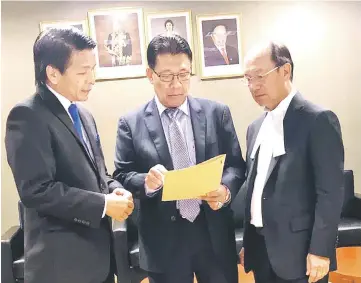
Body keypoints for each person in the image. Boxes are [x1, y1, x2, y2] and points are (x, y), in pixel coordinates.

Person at [113, 34, 246, 283]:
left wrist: (225, 190)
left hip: (213, 235)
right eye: (166, 76)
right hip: (163, 242)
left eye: (184, 74)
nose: (176, 85)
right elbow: (121, 175)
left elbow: (237, 165)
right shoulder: (131, 123)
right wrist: (147, 182)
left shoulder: (216, 113)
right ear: (150, 74)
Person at [5, 27, 134, 283]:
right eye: (83, 72)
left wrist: (115, 188)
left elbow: (99, 174)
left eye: (93, 69)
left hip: (99, 260)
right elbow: (37, 190)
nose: (92, 79)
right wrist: (104, 204)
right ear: (52, 73)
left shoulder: (83, 114)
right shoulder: (28, 116)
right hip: (61, 267)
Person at [239, 41, 344, 283]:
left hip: (302, 254)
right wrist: (250, 243)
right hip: (262, 252)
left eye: (259, 76)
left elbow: (330, 192)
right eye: (247, 78)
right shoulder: (255, 127)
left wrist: (320, 250)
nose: (253, 86)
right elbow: (256, 188)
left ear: (285, 71)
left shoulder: (318, 120)